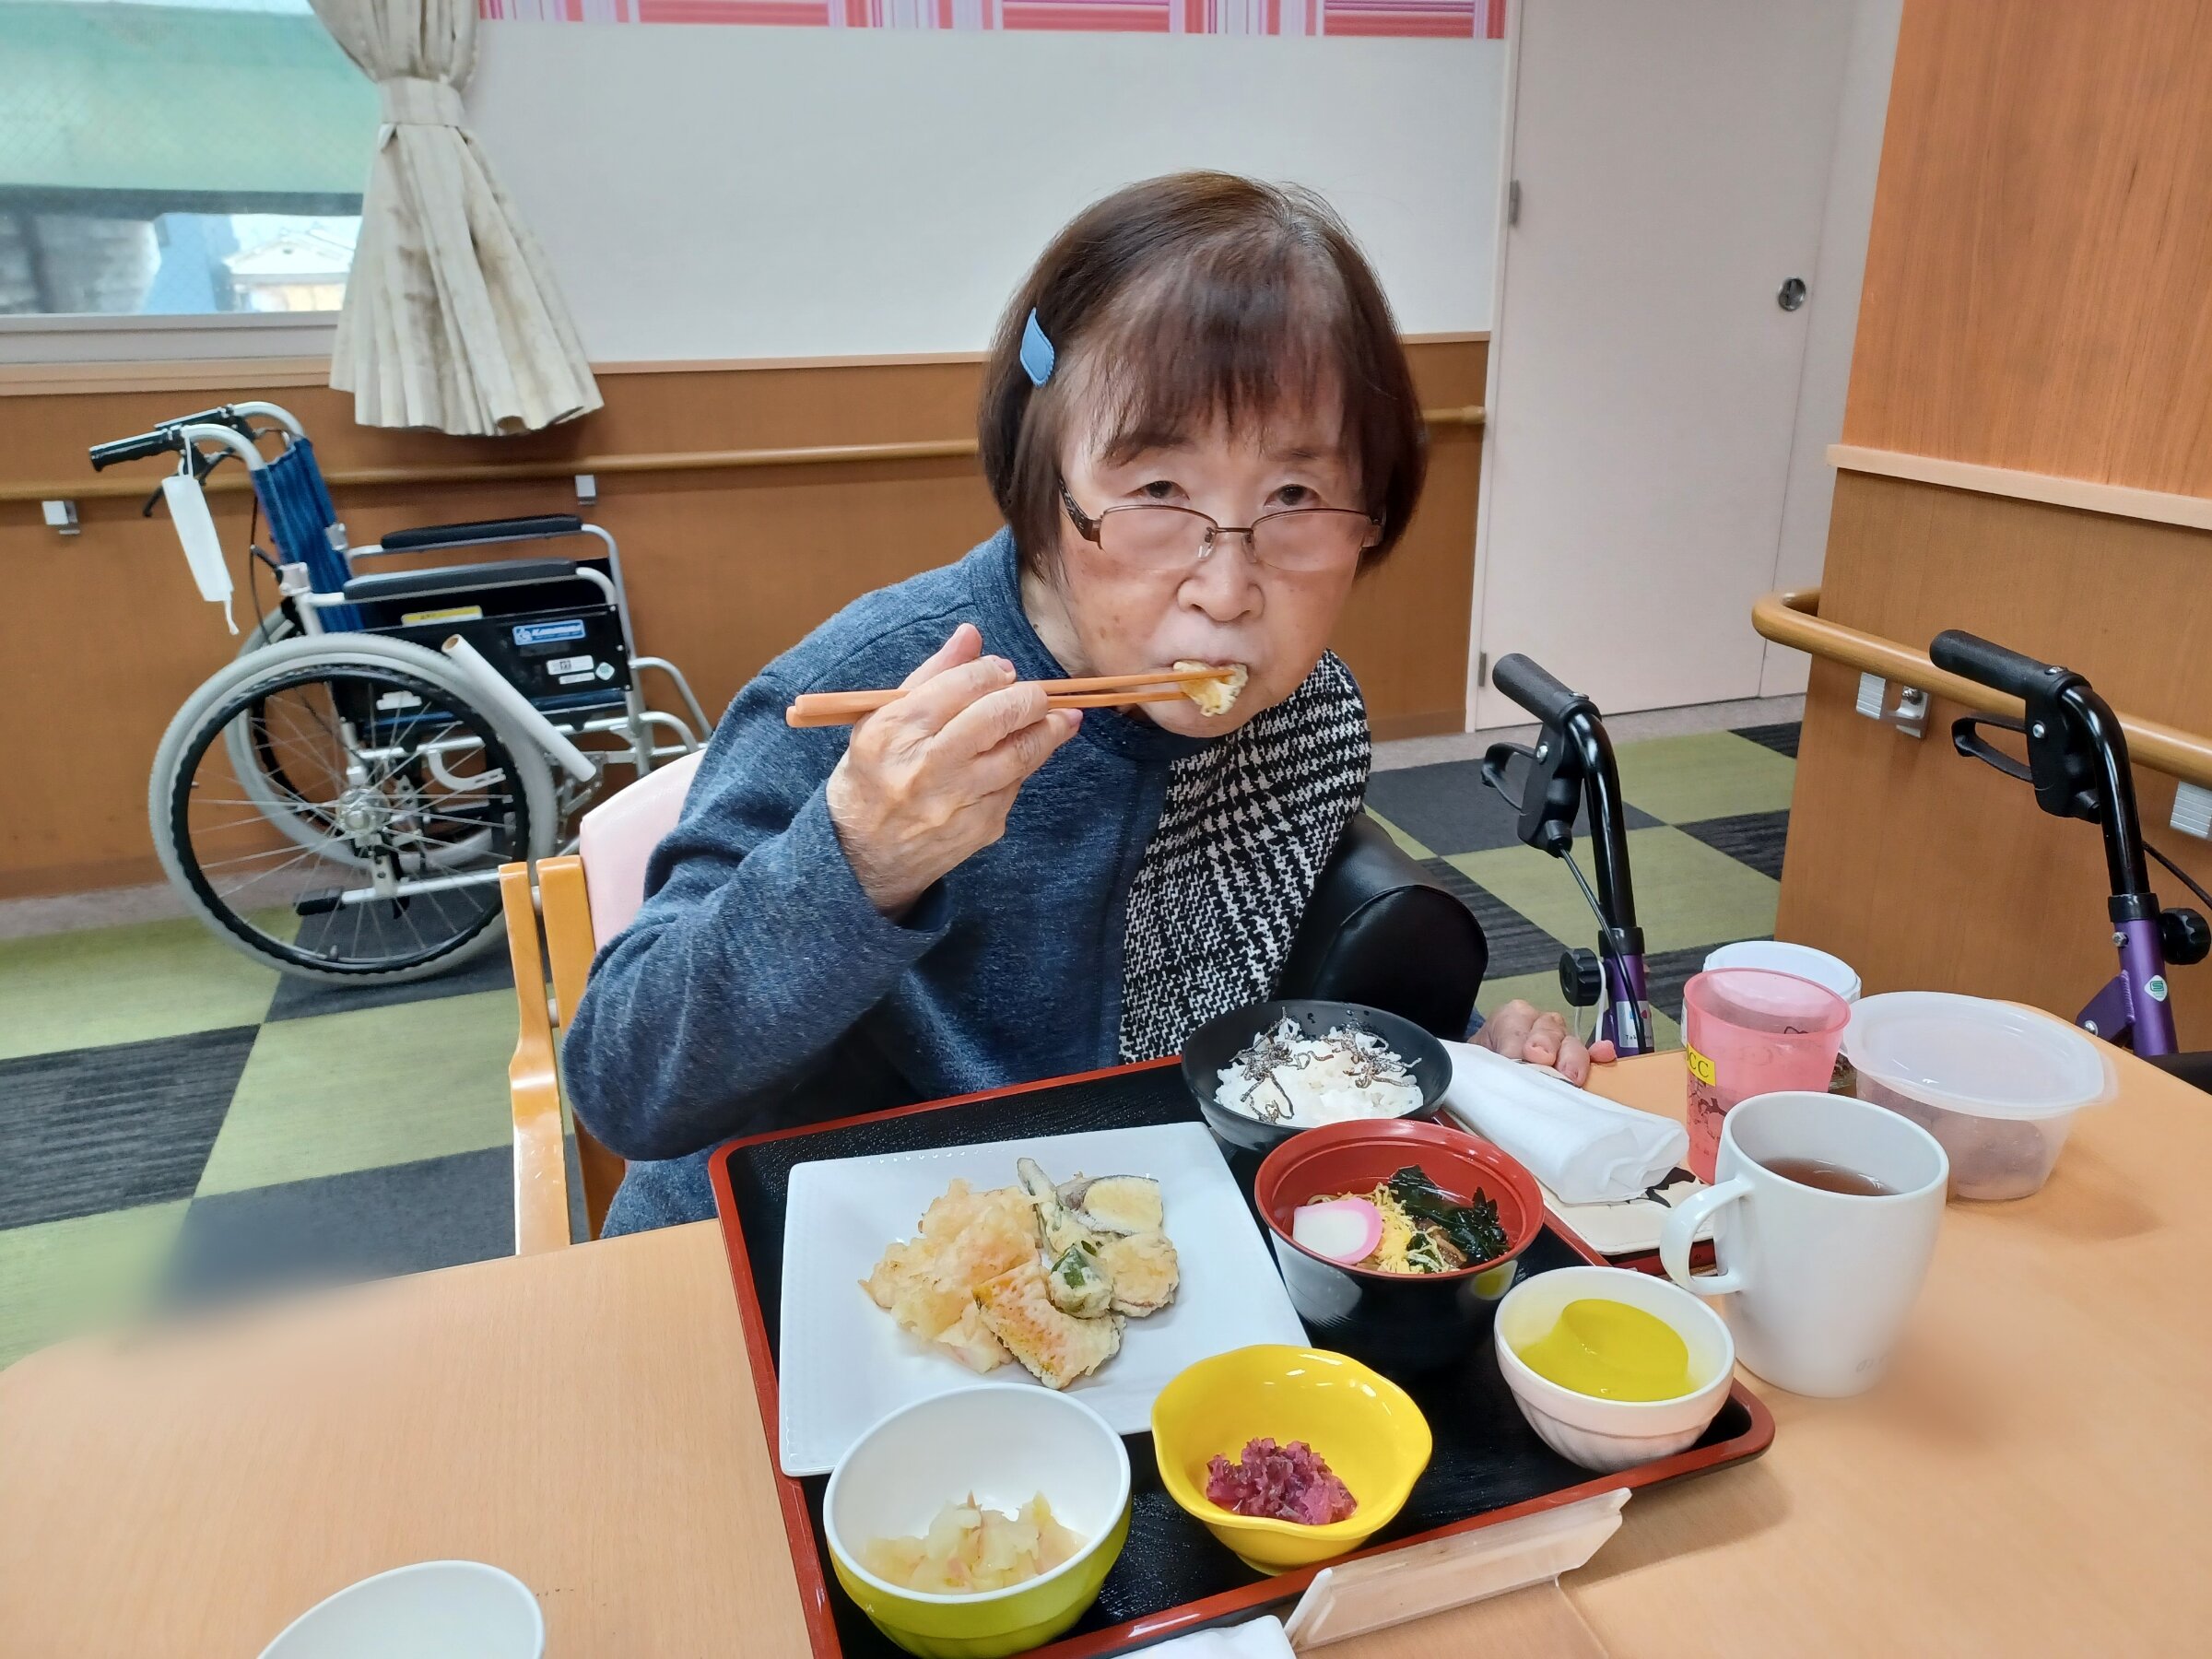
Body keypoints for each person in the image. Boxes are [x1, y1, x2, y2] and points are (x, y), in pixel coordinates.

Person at [566, 172, 1611, 1235]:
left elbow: (1280, 977)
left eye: (1296, 496)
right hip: (801, 1246)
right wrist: (860, 861)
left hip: (1125, 1242)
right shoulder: (881, 698)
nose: (1227, 588)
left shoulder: (1305, 714)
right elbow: (623, 1084)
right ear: (1044, 485)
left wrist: (1468, 1057)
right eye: (1159, 492)